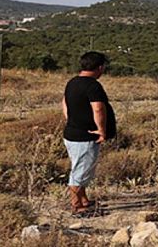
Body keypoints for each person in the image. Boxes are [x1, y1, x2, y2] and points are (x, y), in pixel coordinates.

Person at [61, 51, 116, 216]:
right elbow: (98, 108)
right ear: (100, 67)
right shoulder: (93, 85)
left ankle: (83, 199)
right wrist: (101, 130)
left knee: (82, 168)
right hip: (84, 137)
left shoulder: (72, 82)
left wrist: (72, 120)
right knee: (80, 171)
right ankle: (77, 205)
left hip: (73, 132)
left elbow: (64, 102)